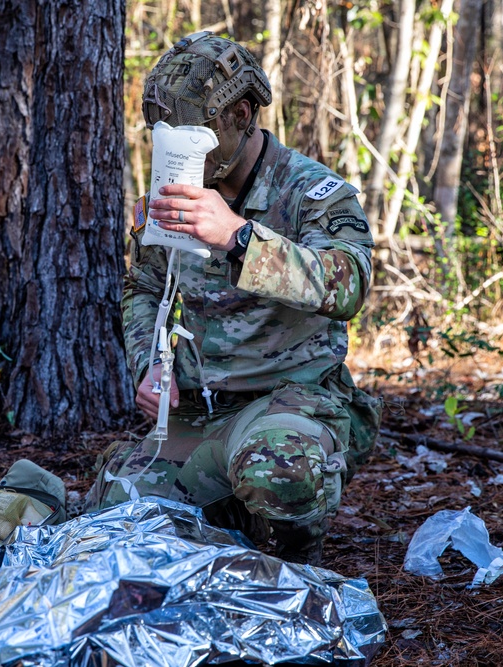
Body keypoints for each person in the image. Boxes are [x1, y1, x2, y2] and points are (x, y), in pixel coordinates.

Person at [86, 32, 382, 566]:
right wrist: (148, 365)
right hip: (200, 414)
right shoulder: (174, 192)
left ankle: (294, 558)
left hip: (290, 402)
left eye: (193, 132)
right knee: (114, 514)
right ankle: (227, 521)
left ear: (241, 115)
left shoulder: (311, 192)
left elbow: (349, 284)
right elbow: (146, 287)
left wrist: (238, 237)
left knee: (279, 472)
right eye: (165, 133)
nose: (177, 147)